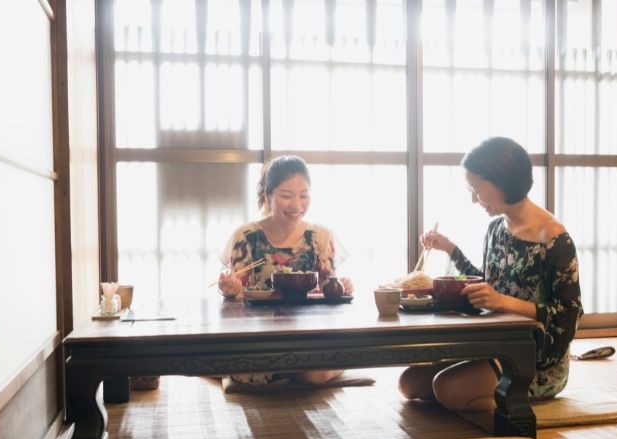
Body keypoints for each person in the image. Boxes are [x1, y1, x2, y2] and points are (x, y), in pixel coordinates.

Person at [399, 137, 583, 412]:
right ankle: (478, 396)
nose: (474, 200)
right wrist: (449, 249)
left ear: (503, 180)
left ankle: (512, 410)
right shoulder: (497, 228)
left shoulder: (554, 237)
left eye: (477, 189)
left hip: (532, 358)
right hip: (493, 344)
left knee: (446, 388)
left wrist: (503, 302)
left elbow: (570, 315)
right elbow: (486, 286)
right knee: (409, 383)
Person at [217, 155, 354, 385]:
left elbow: (329, 293)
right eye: (286, 196)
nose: (297, 205)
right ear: (267, 195)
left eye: (304, 195)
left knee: (316, 374)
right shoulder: (247, 236)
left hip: (310, 335)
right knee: (250, 373)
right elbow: (236, 297)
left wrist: (342, 288)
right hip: (261, 336)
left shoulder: (320, 237)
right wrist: (229, 289)